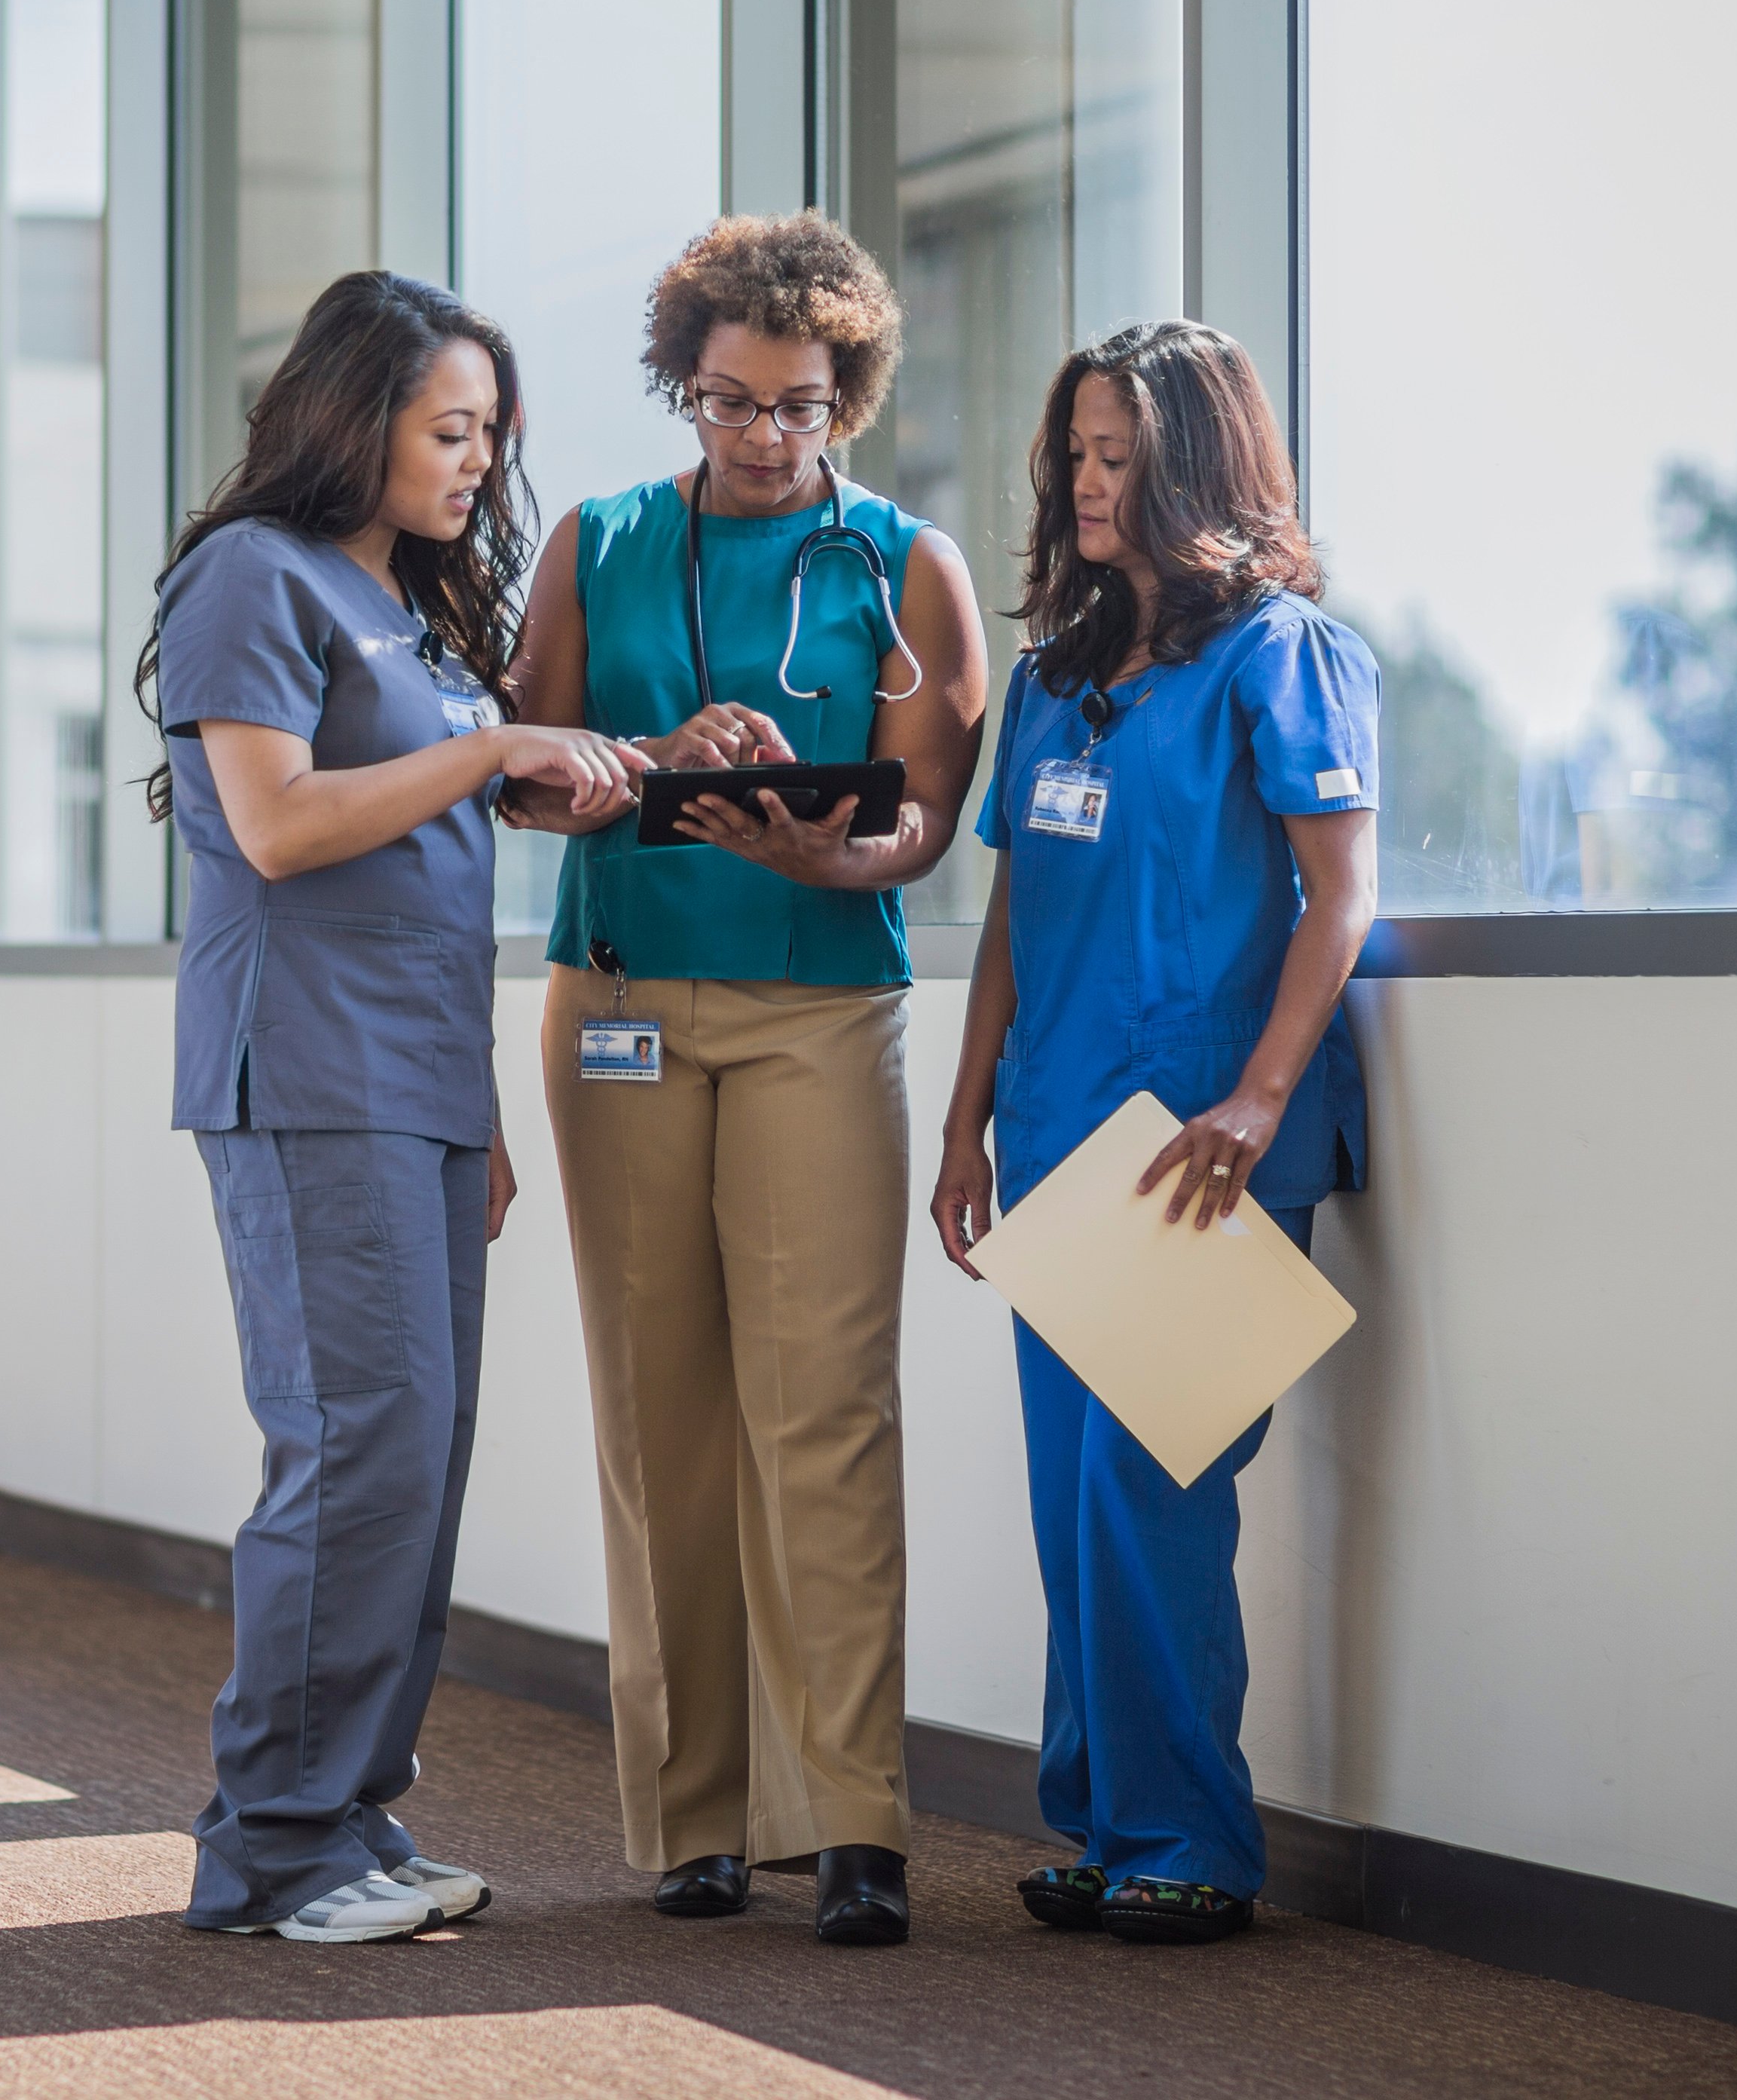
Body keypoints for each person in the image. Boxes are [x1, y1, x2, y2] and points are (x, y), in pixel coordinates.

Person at [145, 271, 647, 1944]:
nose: (474, 460)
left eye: (491, 432)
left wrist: (479, 1104)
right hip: (302, 1073)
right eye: (449, 428)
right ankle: (276, 1847)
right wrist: (498, 744)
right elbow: (281, 825)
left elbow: (431, 882)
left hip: (419, 1086)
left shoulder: (416, 615)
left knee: (416, 1457)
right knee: (351, 1447)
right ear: (354, 417)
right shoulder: (252, 577)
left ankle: (350, 1817)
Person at [508, 211, 988, 1945]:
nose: (760, 435)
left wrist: (828, 848)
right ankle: (692, 1816)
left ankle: (852, 1818)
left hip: (817, 1001)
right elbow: (517, 772)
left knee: (826, 1410)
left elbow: (924, 811)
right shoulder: (596, 542)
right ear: (679, 387)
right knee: (658, 1415)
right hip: (620, 999)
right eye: (724, 401)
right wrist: (649, 758)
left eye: (795, 405)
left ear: (844, 392)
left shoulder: (906, 568)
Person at [928, 320, 1379, 1950]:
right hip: (1054, 1127)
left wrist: (1260, 1094)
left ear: (1197, 466)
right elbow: (1010, 918)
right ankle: (1106, 1823)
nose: (1088, 481)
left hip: (1202, 1145)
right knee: (1070, 1491)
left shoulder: (1283, 651)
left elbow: (1340, 896)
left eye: (1122, 454)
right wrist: (969, 1110)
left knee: (1152, 1482)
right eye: (1076, 452)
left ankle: (1190, 1835)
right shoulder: (1053, 674)